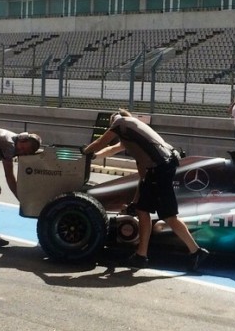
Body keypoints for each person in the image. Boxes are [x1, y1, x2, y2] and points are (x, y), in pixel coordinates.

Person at [81, 109, 209, 271]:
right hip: (161, 168)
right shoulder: (134, 137)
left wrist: (85, 151)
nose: (111, 128)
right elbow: (115, 153)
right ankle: (141, 256)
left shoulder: (120, 122)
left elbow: (102, 142)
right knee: (143, 210)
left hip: (161, 169)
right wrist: (94, 156)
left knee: (168, 215)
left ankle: (195, 251)